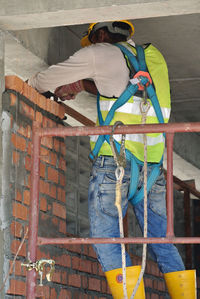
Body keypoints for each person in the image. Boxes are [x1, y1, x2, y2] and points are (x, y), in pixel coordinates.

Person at [28, 21, 196, 299]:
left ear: (102, 35)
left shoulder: (100, 52)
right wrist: (83, 85)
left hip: (114, 164)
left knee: (107, 241)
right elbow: (126, 87)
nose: (93, 47)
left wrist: (29, 86)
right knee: (163, 244)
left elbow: (46, 80)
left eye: (93, 40)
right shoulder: (154, 58)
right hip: (152, 169)